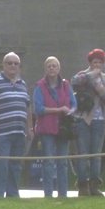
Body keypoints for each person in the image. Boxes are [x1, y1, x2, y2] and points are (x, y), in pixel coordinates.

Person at [0, 52, 32, 198]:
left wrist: (30, 127)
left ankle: (13, 194)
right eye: (9, 63)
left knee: (16, 165)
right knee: (2, 164)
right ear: (3, 65)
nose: (13, 66)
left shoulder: (22, 84)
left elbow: (28, 107)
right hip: (2, 132)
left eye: (16, 63)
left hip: (19, 132)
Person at [71, 48, 105, 196]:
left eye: (100, 62)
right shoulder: (82, 75)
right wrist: (91, 76)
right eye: (95, 62)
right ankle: (82, 185)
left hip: (100, 119)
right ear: (90, 62)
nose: (97, 65)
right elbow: (74, 83)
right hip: (83, 119)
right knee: (83, 153)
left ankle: (95, 185)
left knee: (96, 154)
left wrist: (100, 88)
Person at [33, 57, 76, 198]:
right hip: (47, 129)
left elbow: (73, 104)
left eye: (54, 66)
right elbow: (38, 109)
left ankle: (63, 193)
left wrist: (70, 111)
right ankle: (48, 194)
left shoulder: (66, 85)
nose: (52, 68)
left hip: (63, 129)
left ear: (59, 69)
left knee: (63, 162)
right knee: (49, 161)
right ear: (45, 69)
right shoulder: (39, 86)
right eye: (49, 66)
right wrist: (59, 110)